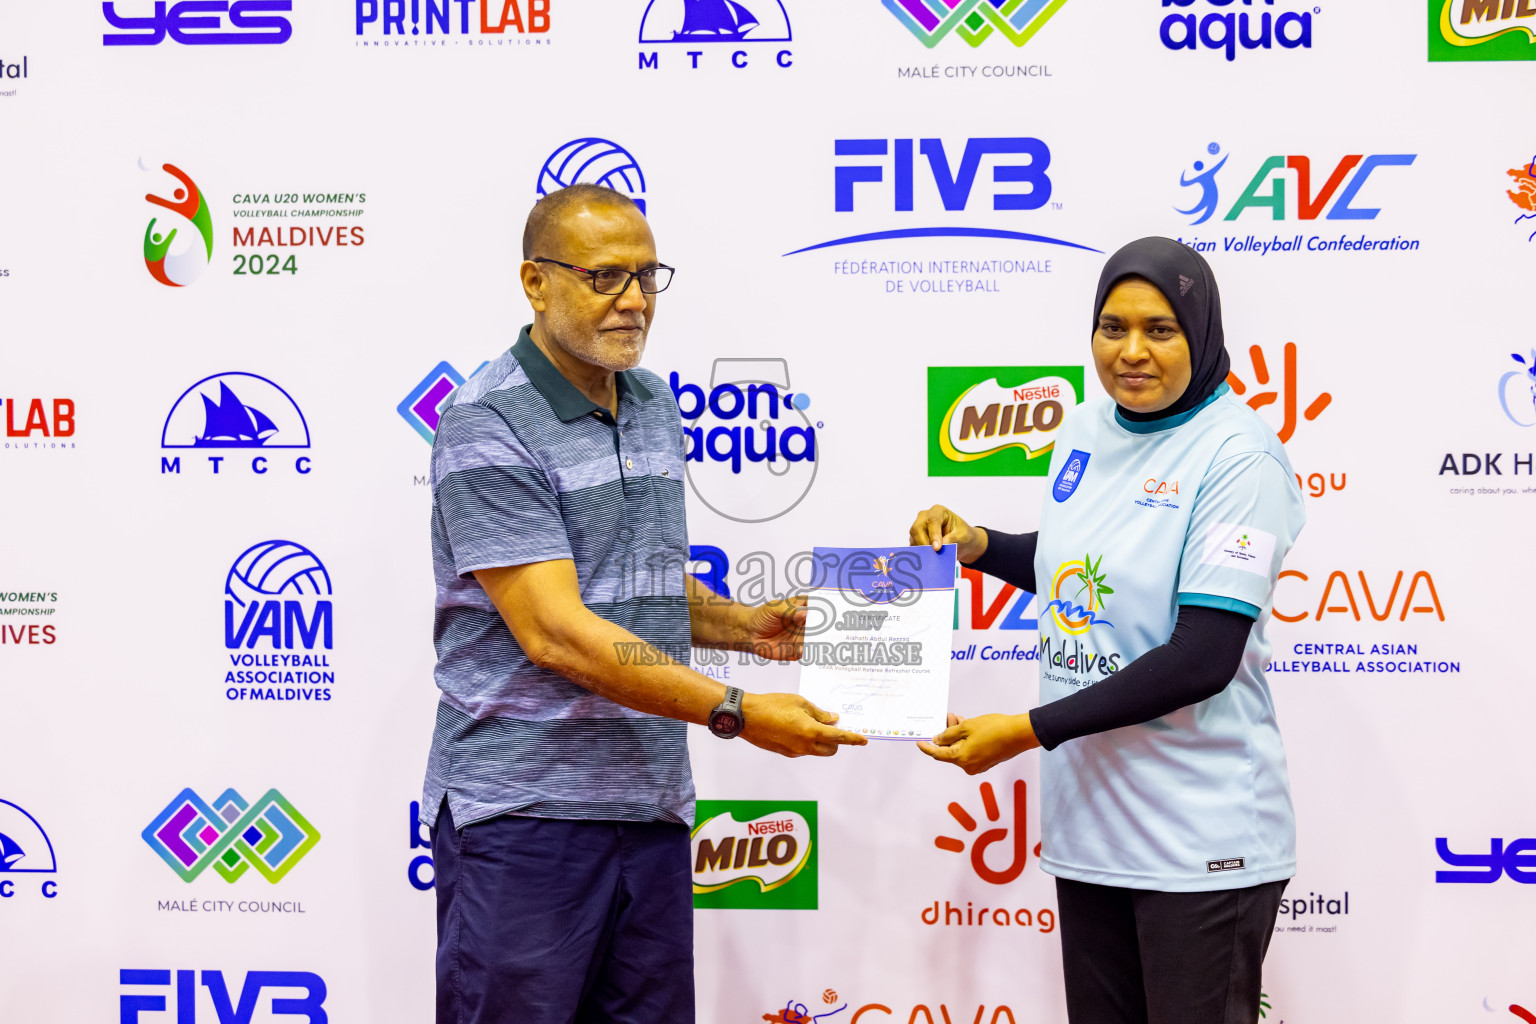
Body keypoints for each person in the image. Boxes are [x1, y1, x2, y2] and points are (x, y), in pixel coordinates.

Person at [421, 183, 866, 1024]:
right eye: (604, 278)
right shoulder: (487, 423)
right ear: (535, 282)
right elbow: (559, 633)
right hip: (525, 818)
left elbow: (636, 577)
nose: (634, 301)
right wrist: (737, 710)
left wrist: (744, 626)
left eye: (647, 277)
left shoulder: (654, 403)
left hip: (651, 807)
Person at [910, 236, 1305, 1024]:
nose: (1131, 352)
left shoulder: (1240, 458)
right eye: (1112, 327)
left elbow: (1202, 657)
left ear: (1201, 332)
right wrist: (981, 545)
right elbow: (1080, 576)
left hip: (1199, 843)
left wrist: (1024, 731)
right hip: (1092, 831)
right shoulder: (1087, 429)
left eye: (1160, 329)